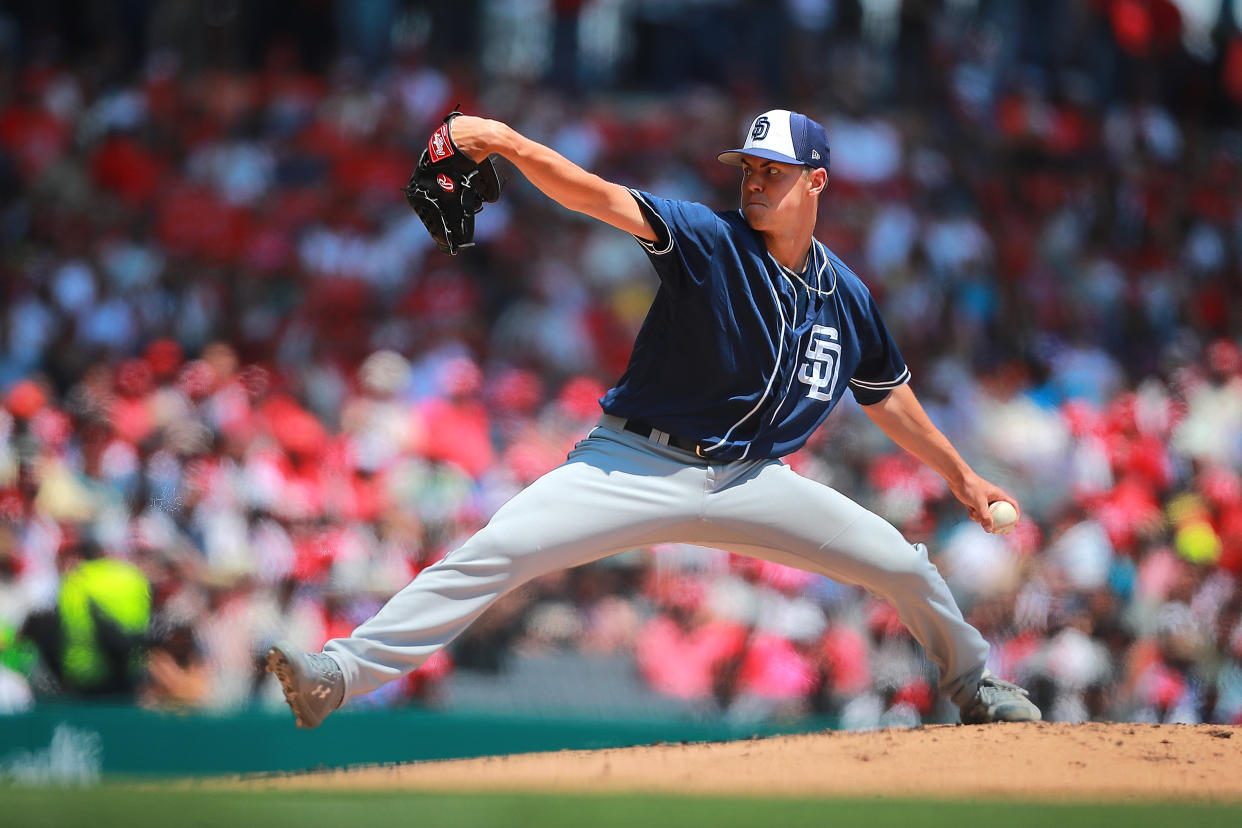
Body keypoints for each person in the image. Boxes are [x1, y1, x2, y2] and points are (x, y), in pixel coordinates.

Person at [267, 109, 1041, 729]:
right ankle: (338, 675)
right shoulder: (709, 240)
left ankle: (975, 689)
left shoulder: (847, 294)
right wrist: (504, 141)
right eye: (750, 168)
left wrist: (963, 476)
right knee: (495, 551)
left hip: (749, 481)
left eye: (775, 171)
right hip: (632, 465)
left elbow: (887, 395)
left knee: (902, 564)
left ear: (817, 182)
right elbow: (595, 195)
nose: (757, 181)